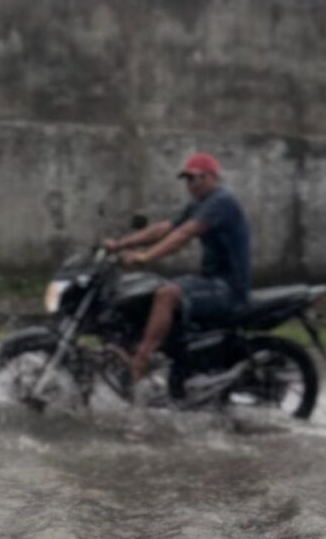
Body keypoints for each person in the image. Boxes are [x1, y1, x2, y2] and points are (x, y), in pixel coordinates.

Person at [102, 152, 251, 394]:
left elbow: (183, 235)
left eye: (196, 178)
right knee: (150, 290)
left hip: (228, 287)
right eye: (187, 180)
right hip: (209, 280)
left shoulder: (221, 202)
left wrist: (145, 257)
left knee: (167, 294)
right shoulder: (199, 203)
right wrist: (120, 244)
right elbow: (165, 228)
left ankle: (141, 361)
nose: (190, 185)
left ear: (212, 177)